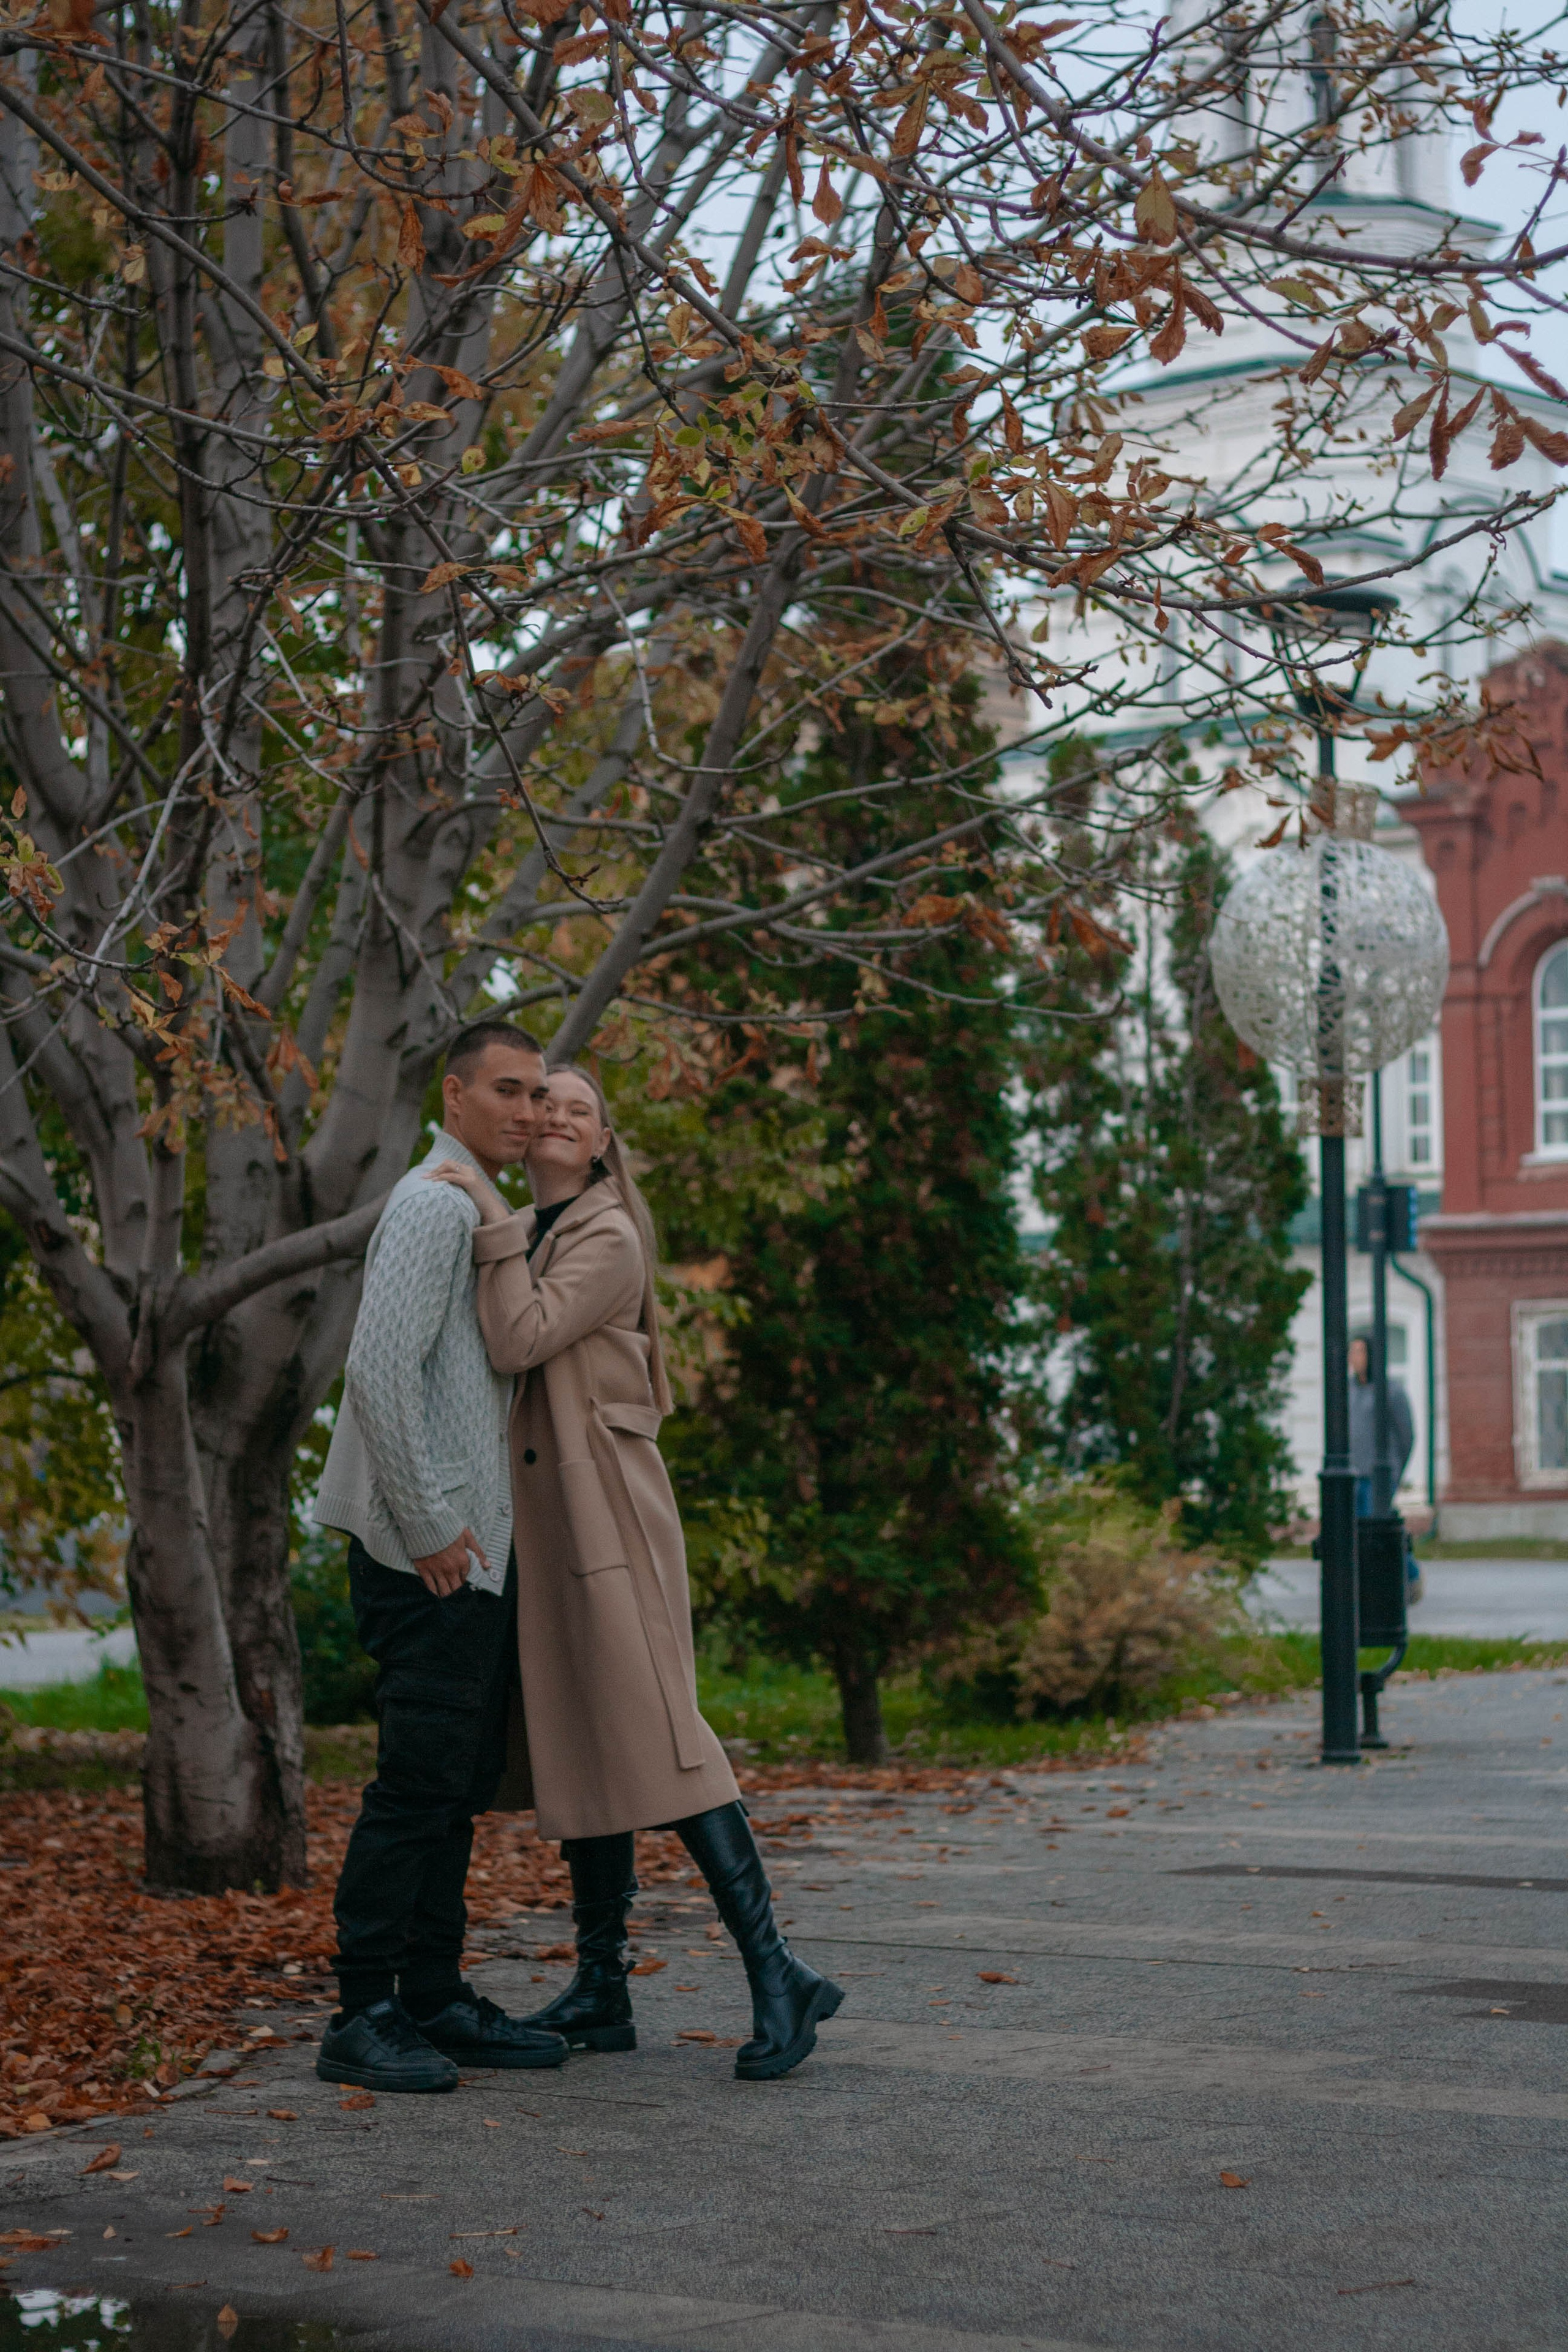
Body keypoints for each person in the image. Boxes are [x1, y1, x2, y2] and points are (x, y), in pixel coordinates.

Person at [427, 1065, 844, 2084]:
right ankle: (603, 1986)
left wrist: (481, 1204)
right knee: (587, 1745)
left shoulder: (604, 1234)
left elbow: (521, 1334)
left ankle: (778, 1974)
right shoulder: (546, 1229)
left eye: (581, 1110)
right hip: (558, 1523)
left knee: (667, 1740)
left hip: (607, 1515)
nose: (560, 1118)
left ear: (603, 1142)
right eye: (546, 1106)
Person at [312, 1020, 570, 2092]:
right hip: (430, 1553)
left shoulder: (474, 1205)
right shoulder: (430, 1203)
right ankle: (362, 2013)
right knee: (417, 1791)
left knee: (452, 1788)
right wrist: (428, 1528)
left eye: (537, 1095)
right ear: (453, 1095)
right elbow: (375, 1372)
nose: (526, 1112)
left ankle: (432, 1998)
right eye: (506, 1092)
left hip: (467, 1552)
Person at [1348, 1332, 1415, 1519]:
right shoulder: (1348, 1389)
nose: (1354, 1358)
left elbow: (1406, 1435)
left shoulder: (1391, 1391)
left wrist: (1395, 1472)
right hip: (1353, 1476)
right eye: (1352, 1352)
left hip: (1379, 1478)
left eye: (1360, 1352)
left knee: (1376, 1526)